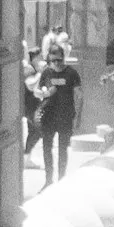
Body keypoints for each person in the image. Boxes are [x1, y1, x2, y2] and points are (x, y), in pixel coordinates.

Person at [32, 42, 82, 185]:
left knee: (63, 149)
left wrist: (78, 116)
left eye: (59, 60)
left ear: (63, 58)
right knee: (47, 147)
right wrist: (45, 92)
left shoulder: (71, 73)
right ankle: (48, 180)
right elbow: (37, 91)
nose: (56, 63)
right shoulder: (47, 72)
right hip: (49, 115)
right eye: (53, 60)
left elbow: (79, 95)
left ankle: (61, 179)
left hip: (65, 115)